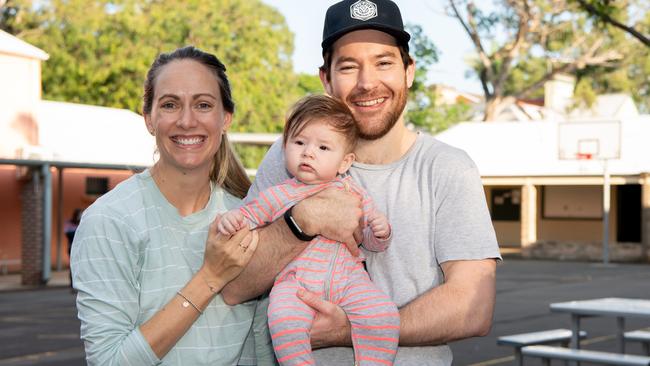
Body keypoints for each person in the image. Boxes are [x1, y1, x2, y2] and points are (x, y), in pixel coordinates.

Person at [220, 0, 502, 365]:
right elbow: (234, 286)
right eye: (349, 66)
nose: (368, 83)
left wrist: (351, 328)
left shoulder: (447, 168)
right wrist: (301, 222)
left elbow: (473, 308)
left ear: (409, 71)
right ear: (326, 78)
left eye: (384, 62)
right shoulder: (293, 155)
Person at [70, 46, 277, 365]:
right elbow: (109, 361)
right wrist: (210, 277)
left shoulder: (248, 218)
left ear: (226, 118)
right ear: (149, 119)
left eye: (203, 104)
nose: (186, 120)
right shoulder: (109, 221)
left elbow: (261, 346)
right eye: (169, 105)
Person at [217, 95, 399, 365]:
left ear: (345, 162)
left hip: (348, 280)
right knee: (282, 319)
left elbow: (368, 241)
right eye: (299, 142)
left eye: (324, 147)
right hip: (295, 284)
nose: (308, 152)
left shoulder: (353, 192)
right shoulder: (278, 195)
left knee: (384, 315)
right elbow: (248, 216)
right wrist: (231, 220)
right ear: (285, 147)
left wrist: (380, 233)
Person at [65, 208, 82, 288]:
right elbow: (68, 234)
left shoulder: (82, 222)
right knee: (73, 265)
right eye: (79, 214)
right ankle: (72, 283)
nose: (80, 216)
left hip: (82, 247)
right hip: (72, 247)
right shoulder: (69, 223)